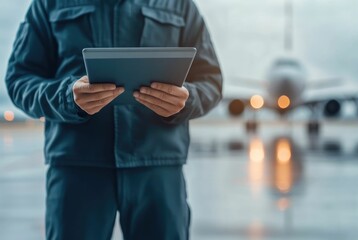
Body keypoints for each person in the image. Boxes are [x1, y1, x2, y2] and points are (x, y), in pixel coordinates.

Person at [5, 0, 222, 239]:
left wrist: (187, 99)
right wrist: (67, 97)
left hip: (157, 166)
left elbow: (210, 80)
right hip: (77, 165)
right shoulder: (49, 4)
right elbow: (19, 79)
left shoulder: (178, 4)